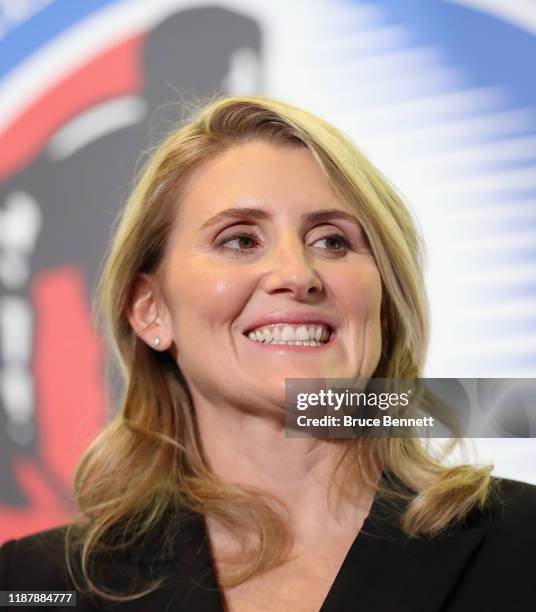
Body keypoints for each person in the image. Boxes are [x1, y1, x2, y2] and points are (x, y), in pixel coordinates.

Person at [1, 95, 535, 611]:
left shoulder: (524, 545)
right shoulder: (33, 585)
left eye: (333, 241)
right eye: (239, 240)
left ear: (384, 301)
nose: (298, 276)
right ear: (150, 309)